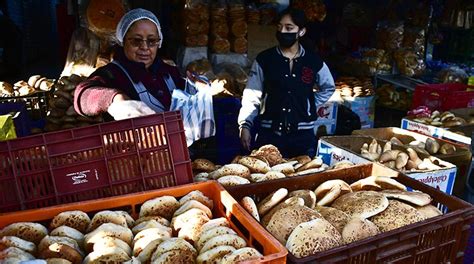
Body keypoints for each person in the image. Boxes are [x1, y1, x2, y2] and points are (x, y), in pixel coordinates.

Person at [238, 7, 335, 158]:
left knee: (302, 176)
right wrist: (245, 125)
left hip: (303, 137)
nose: (283, 31)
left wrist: (309, 103)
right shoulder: (264, 59)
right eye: (280, 27)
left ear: (301, 32)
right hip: (270, 135)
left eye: (289, 28)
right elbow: (252, 95)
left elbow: (328, 87)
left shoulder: (313, 61)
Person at [74, 8, 191, 120]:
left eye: (151, 41)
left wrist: (198, 88)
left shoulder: (170, 72)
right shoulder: (111, 74)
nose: (145, 47)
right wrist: (114, 99)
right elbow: (82, 95)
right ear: (123, 40)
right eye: (136, 40)